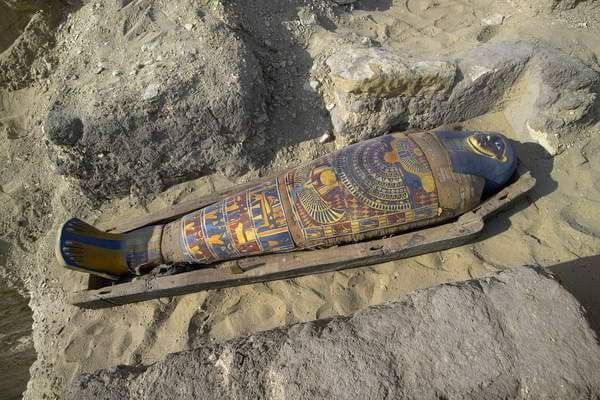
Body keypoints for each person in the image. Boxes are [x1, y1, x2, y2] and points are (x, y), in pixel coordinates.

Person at [56, 129, 516, 279]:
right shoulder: (450, 155)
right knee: (261, 207)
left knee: (268, 220)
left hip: (345, 206)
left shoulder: (464, 187)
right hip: (317, 188)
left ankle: (136, 250)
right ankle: (135, 248)